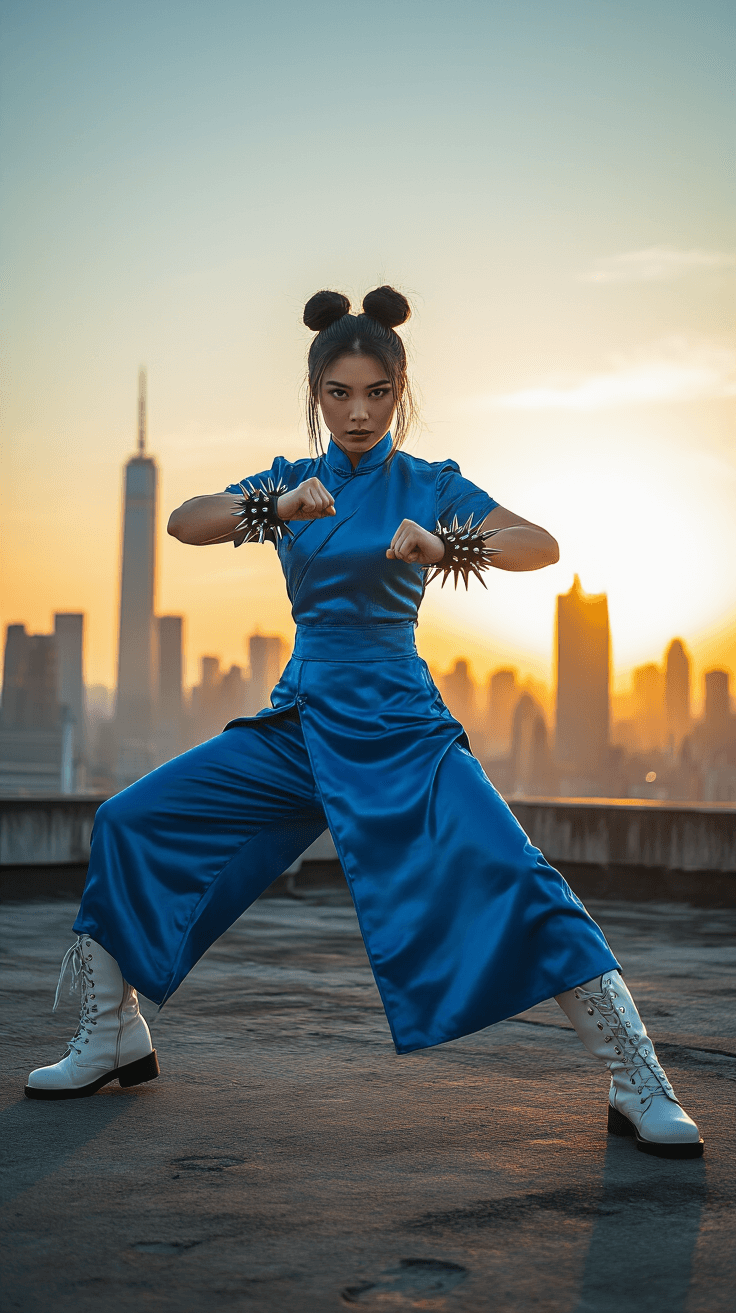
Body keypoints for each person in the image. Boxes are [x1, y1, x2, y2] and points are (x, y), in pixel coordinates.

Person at [26, 287, 702, 1159]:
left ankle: (636, 1078)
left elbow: (541, 545)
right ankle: (112, 1034)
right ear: (316, 394)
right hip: (300, 722)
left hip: (401, 726)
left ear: (399, 392)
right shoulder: (290, 481)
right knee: (129, 819)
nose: (357, 412)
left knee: (517, 874)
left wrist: (448, 546)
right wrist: (276, 509)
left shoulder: (430, 484)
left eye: (377, 393)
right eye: (338, 393)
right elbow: (184, 521)